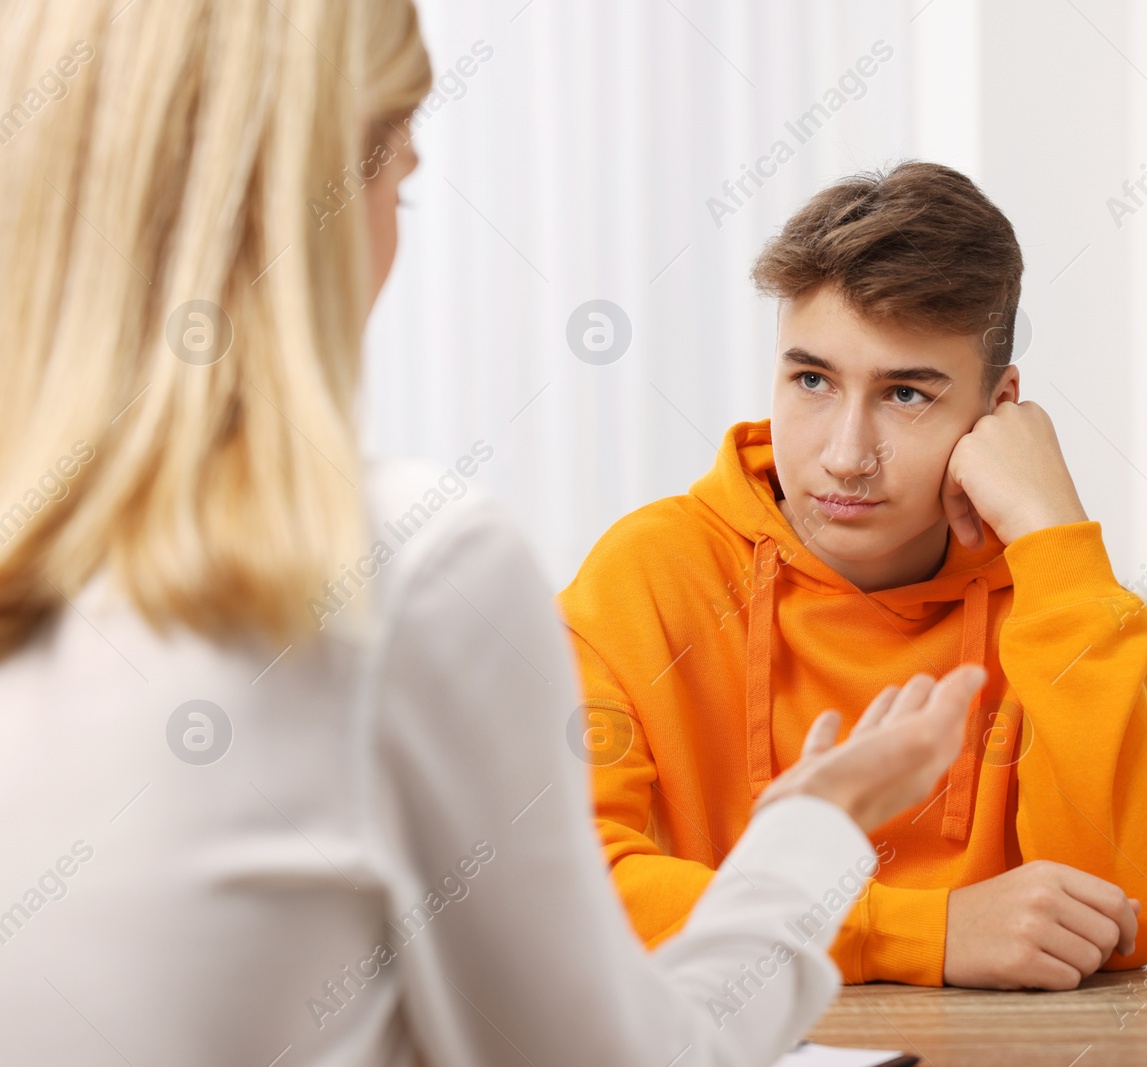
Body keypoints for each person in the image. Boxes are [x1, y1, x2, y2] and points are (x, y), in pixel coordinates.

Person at [0, 2, 987, 1063]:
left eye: (908, 395)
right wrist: (818, 824)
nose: (846, 451)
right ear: (318, 194)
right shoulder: (410, 572)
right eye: (399, 182)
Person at [560, 162, 1147, 991]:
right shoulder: (647, 573)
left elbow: (1131, 910)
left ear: (998, 408)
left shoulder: (1053, 591)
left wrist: (1055, 543)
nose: (843, 455)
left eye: (905, 393)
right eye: (812, 380)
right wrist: (919, 933)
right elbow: (572, 895)